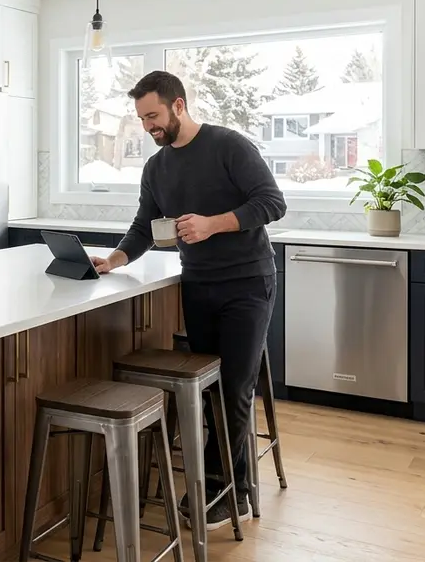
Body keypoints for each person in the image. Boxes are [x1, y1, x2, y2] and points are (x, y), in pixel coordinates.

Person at [90, 70, 286, 529]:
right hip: (197, 284)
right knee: (211, 391)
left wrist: (212, 224)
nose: (148, 127)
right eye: (141, 118)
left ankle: (231, 492)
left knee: (236, 388)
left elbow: (272, 203)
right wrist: (116, 259)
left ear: (179, 105)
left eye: (153, 116)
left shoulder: (228, 146)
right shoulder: (156, 168)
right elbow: (144, 225)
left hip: (247, 283)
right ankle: (217, 482)